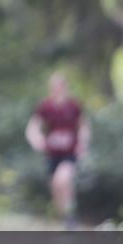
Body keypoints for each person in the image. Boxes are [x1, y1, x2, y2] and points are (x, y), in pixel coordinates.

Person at [25, 73, 89, 229]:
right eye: (54, 87)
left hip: (69, 153)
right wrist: (37, 140)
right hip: (52, 154)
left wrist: (82, 143)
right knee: (55, 186)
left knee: (63, 180)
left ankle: (70, 218)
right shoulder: (45, 106)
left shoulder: (73, 106)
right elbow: (33, 127)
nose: (57, 89)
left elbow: (83, 126)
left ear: (65, 87)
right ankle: (65, 216)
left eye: (60, 86)